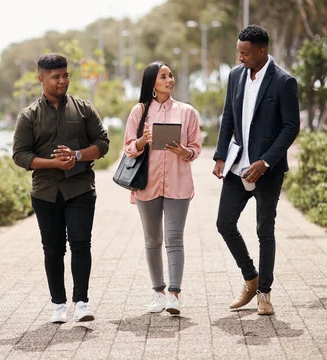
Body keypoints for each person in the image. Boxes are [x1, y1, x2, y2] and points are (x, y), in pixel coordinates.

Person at [12, 53, 109, 324]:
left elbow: (102, 143)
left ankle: (82, 302)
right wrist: (53, 163)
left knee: (80, 244)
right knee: (53, 249)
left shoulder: (83, 109)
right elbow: (20, 154)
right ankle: (58, 304)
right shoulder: (28, 116)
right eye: (56, 77)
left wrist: (77, 156)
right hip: (45, 192)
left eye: (65, 75)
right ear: (41, 79)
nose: (62, 81)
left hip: (80, 189)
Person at [212, 25, 300, 315]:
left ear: (262, 51)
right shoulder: (236, 76)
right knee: (224, 223)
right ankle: (251, 278)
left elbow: (291, 127)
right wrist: (220, 155)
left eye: (245, 53)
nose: (240, 58)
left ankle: (264, 294)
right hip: (238, 166)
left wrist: (266, 162)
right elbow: (228, 116)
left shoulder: (283, 81)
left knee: (265, 229)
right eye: (238, 52)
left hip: (267, 169)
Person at [123, 61, 202, 315]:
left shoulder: (187, 111)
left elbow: (196, 149)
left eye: (171, 75)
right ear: (152, 84)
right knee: (152, 239)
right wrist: (142, 141)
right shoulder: (139, 112)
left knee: (174, 238)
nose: (170, 80)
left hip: (178, 184)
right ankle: (157, 292)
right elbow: (127, 148)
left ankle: (174, 295)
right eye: (163, 77)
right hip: (147, 184)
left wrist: (183, 151)